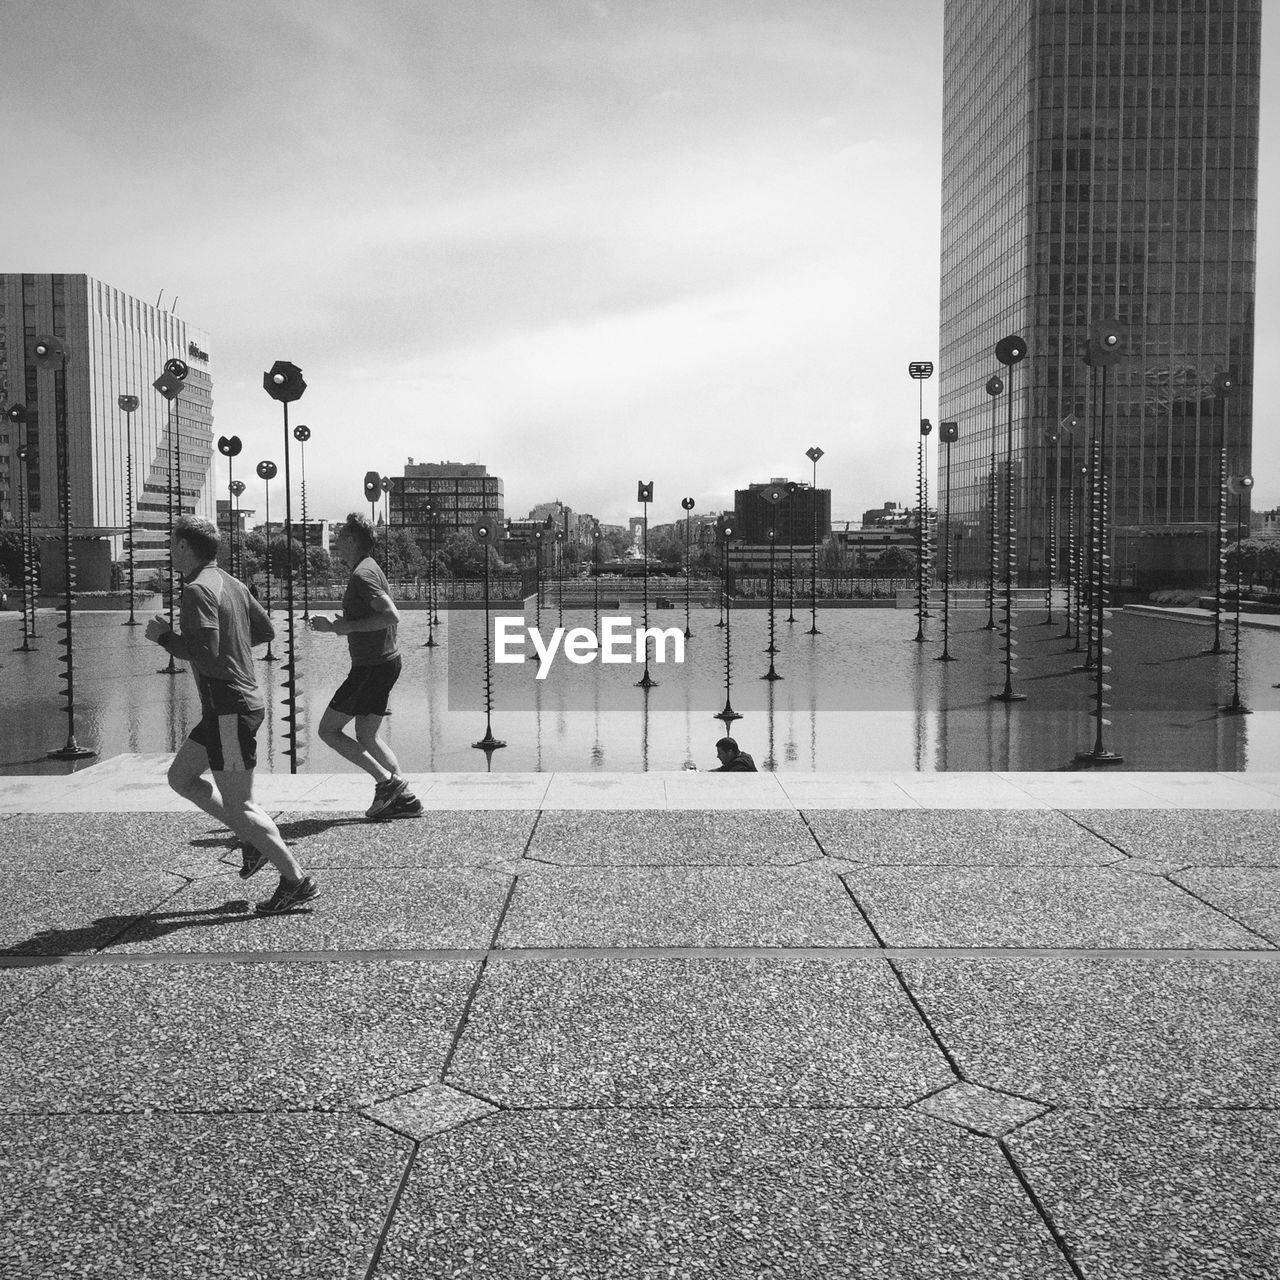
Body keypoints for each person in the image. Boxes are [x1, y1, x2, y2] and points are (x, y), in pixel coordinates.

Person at [145, 515, 319, 914]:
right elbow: (266, 632)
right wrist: (232, 644)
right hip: (229, 706)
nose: (171, 550)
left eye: (173, 543)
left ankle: (296, 880)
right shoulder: (232, 583)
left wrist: (165, 638)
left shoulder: (196, 590)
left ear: (186, 547)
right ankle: (250, 840)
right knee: (182, 778)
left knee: (241, 803)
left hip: (229, 708)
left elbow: (204, 651)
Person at [308, 512, 421, 819]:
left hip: (372, 667)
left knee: (328, 730)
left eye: (340, 536)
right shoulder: (367, 568)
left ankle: (386, 784)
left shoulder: (362, 575)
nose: (335, 541)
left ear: (353, 540)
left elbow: (390, 615)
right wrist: (335, 626)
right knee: (367, 736)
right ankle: (405, 798)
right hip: (384, 662)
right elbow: (365, 618)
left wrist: (342, 628)